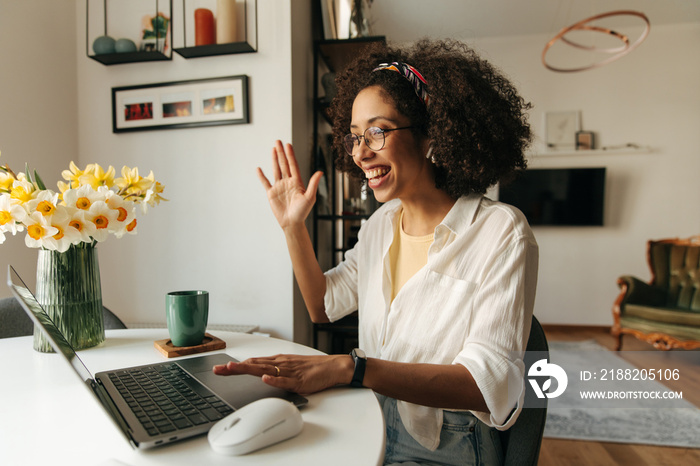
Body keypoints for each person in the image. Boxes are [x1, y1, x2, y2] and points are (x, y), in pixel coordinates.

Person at [214, 38, 538, 465]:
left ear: (430, 135)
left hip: (449, 442)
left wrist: (352, 368)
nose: (360, 152)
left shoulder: (500, 231)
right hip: (369, 410)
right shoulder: (380, 226)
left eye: (377, 132)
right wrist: (293, 227)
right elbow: (323, 307)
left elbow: (487, 385)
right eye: (353, 137)